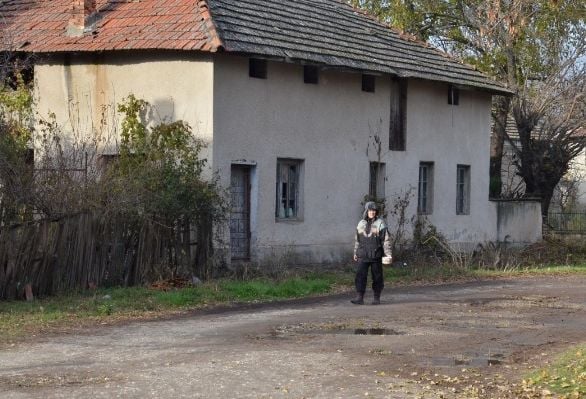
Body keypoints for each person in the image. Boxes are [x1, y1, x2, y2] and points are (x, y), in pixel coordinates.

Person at [351, 201, 392, 305]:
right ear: (366, 211)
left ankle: (376, 298)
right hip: (363, 255)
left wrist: (388, 254)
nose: (372, 212)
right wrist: (355, 252)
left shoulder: (381, 224)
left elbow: (386, 240)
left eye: (374, 211)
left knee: (377, 277)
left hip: (376, 255)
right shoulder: (361, 223)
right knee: (360, 276)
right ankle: (359, 297)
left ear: (376, 212)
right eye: (370, 210)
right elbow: (357, 240)